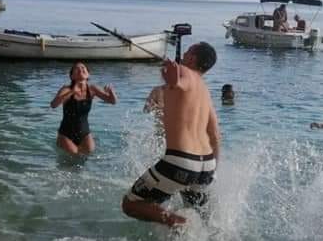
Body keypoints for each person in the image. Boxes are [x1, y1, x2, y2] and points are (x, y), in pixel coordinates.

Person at [122, 42, 220, 228]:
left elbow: (181, 81)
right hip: (207, 164)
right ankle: (203, 234)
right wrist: (213, 170)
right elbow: (215, 135)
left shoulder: (184, 73)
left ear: (192, 58)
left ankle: (178, 223)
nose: (184, 53)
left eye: (188, 51)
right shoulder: (205, 91)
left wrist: (175, 80)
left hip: (181, 162)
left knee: (131, 204)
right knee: (199, 214)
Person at [50, 61, 117, 155]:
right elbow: (53, 105)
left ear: (88, 74)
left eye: (83, 67)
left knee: (89, 153)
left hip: (84, 132)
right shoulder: (66, 89)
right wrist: (72, 92)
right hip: (66, 133)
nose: (80, 69)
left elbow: (112, 101)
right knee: (74, 156)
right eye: (76, 68)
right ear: (72, 76)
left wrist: (111, 92)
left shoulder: (92, 89)